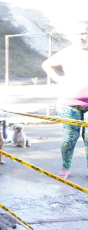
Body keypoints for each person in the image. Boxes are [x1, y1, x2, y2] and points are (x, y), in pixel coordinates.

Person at [42, 20, 88, 180]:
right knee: (69, 138)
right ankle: (65, 168)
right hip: (69, 103)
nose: (81, 37)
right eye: (78, 34)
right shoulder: (67, 52)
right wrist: (59, 79)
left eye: (84, 33)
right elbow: (47, 65)